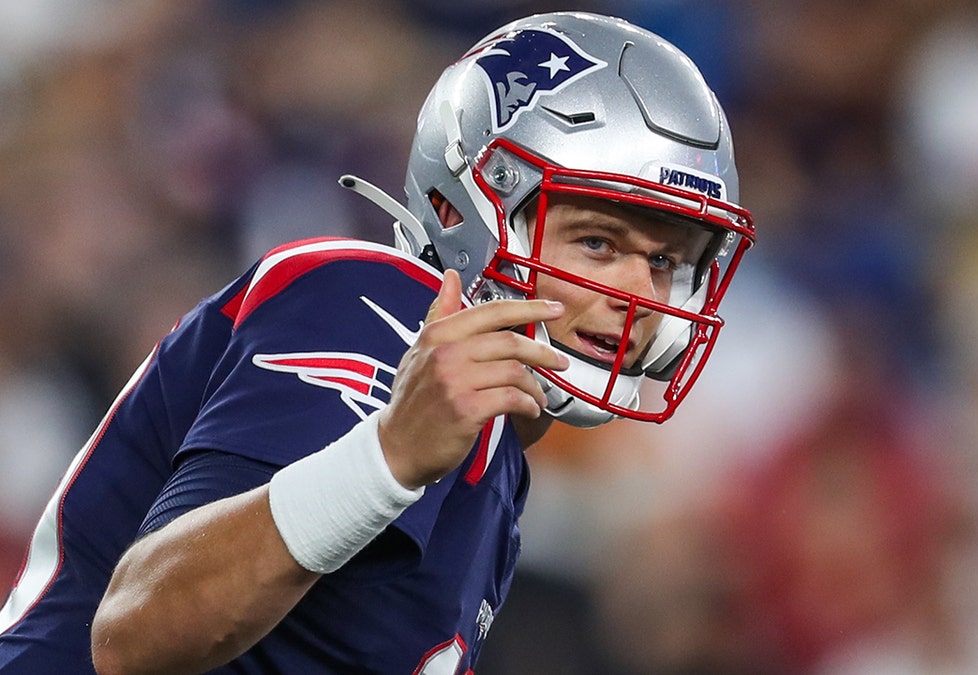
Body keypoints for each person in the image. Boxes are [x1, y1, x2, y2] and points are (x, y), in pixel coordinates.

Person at [0, 11, 755, 674]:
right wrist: (386, 457)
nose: (642, 294)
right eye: (596, 241)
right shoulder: (373, 303)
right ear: (457, 208)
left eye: (665, 260)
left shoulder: (498, 457)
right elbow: (137, 633)